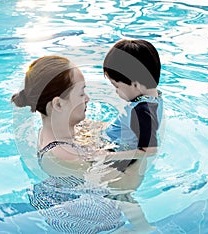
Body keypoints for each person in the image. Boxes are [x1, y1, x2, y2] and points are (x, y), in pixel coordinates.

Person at [11, 55, 154, 233]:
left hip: (77, 192)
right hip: (80, 217)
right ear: (58, 104)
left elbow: (110, 132)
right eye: (81, 93)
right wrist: (144, 151)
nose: (87, 98)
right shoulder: (61, 154)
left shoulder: (66, 128)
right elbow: (124, 185)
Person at [101, 39, 163, 173]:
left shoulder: (142, 110)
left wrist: (108, 156)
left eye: (117, 86)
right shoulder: (155, 97)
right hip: (119, 139)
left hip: (117, 152)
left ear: (136, 85)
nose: (116, 91)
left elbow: (150, 150)